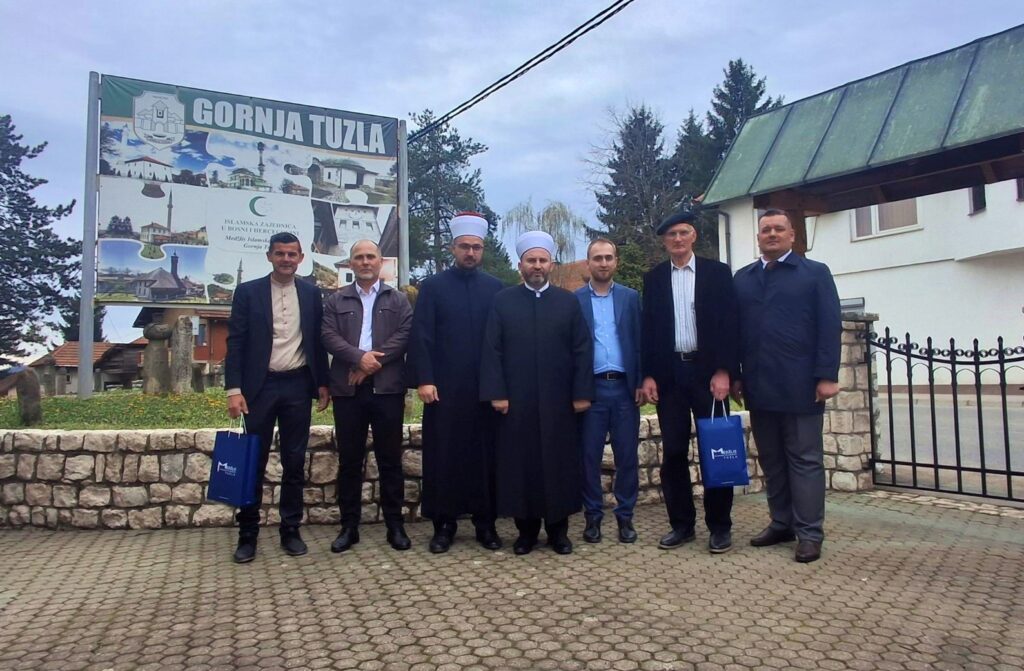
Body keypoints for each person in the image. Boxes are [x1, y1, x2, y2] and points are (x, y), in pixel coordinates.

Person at [732, 209, 841, 563]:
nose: (772, 234)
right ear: (758, 237)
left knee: (805, 460)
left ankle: (809, 533)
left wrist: (827, 375)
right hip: (759, 385)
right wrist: (736, 374)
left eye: (779, 229)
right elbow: (736, 332)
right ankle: (782, 522)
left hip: (801, 385)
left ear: (792, 235)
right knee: (772, 460)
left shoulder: (814, 274)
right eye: (766, 230)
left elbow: (829, 326)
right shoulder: (743, 278)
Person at [480, 231, 594, 555]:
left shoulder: (567, 302)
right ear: (521, 265)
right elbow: (492, 350)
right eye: (531, 260)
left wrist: (581, 393)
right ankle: (526, 533)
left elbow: (582, 349)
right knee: (522, 466)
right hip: (517, 403)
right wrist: (497, 393)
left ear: (551, 265)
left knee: (559, 465)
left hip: (559, 402)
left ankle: (559, 532)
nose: (537, 266)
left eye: (543, 260)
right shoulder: (503, 301)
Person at [225, 231, 330, 564]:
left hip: (297, 385)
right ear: (269, 256)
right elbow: (235, 342)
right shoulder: (248, 292)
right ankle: (248, 534)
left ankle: (291, 530)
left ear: (301, 258)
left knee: (294, 463)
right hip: (259, 389)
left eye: (292, 254)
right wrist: (233, 389)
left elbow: (317, 342)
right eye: (280, 253)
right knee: (252, 463)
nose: (286, 259)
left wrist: (323, 384)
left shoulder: (312, 294)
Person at [641, 209, 739, 554]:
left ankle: (720, 526)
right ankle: (681, 525)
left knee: (717, 449)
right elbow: (649, 330)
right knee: (674, 453)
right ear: (664, 241)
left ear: (693, 236)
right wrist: (648, 374)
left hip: (709, 375)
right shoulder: (654, 279)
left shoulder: (717, 273)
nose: (678, 239)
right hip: (671, 376)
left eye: (683, 233)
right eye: (671, 235)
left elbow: (730, 324)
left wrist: (725, 371)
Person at [406, 212, 505, 553]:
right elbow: (421, 336)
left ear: (483, 250)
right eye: (464, 246)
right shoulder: (433, 287)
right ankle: (443, 525)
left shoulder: (496, 288)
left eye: (476, 247)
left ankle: (485, 524)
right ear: (453, 248)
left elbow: (501, 342)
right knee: (443, 457)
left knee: (485, 457)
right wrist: (424, 379)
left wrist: (500, 386)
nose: (470, 253)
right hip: (443, 390)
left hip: (484, 390)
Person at [321, 239, 413, 553]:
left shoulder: (398, 299)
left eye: (370, 257)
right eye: (359, 257)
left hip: (387, 389)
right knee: (349, 460)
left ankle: (395, 525)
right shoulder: (336, 300)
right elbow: (328, 335)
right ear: (351, 263)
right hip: (347, 390)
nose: (365, 262)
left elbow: (404, 335)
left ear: (380, 262)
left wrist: (372, 364)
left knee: (390, 460)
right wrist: (359, 358)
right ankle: (349, 527)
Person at [574, 238, 642, 544]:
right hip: (592, 390)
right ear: (588, 263)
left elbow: (640, 342)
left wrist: (641, 380)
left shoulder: (630, 297)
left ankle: (625, 517)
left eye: (608, 257)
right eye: (597, 258)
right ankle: (593, 517)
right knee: (589, 457)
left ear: (616, 261)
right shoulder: (574, 301)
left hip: (625, 389)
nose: (603, 263)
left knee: (627, 457)